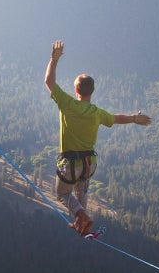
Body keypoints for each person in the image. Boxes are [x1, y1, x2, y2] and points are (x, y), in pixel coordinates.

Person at [44, 40, 151, 236]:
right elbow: (116, 118)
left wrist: (54, 59)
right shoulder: (97, 113)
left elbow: (49, 82)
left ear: (76, 90)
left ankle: (83, 218)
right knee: (81, 190)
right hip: (89, 163)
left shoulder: (67, 104)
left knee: (62, 194)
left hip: (70, 163)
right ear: (91, 92)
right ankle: (81, 224)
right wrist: (135, 118)